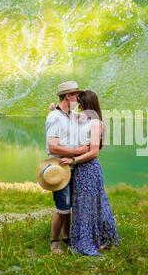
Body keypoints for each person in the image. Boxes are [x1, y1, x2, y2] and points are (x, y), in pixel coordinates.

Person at [60, 90, 119, 256]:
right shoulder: (83, 119)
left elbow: (94, 152)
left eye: (81, 103)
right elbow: (67, 116)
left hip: (89, 169)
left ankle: (101, 239)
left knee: (93, 205)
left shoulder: (96, 124)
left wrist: (73, 161)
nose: (79, 106)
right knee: (82, 205)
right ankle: (90, 238)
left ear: (88, 104)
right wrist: (55, 109)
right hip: (80, 171)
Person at [45, 81, 89, 255]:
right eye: (76, 95)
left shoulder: (70, 115)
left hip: (71, 166)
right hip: (59, 167)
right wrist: (76, 151)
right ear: (68, 96)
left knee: (69, 205)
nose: (78, 98)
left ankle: (67, 238)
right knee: (62, 206)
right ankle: (54, 241)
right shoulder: (55, 117)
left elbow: (87, 117)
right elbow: (53, 146)